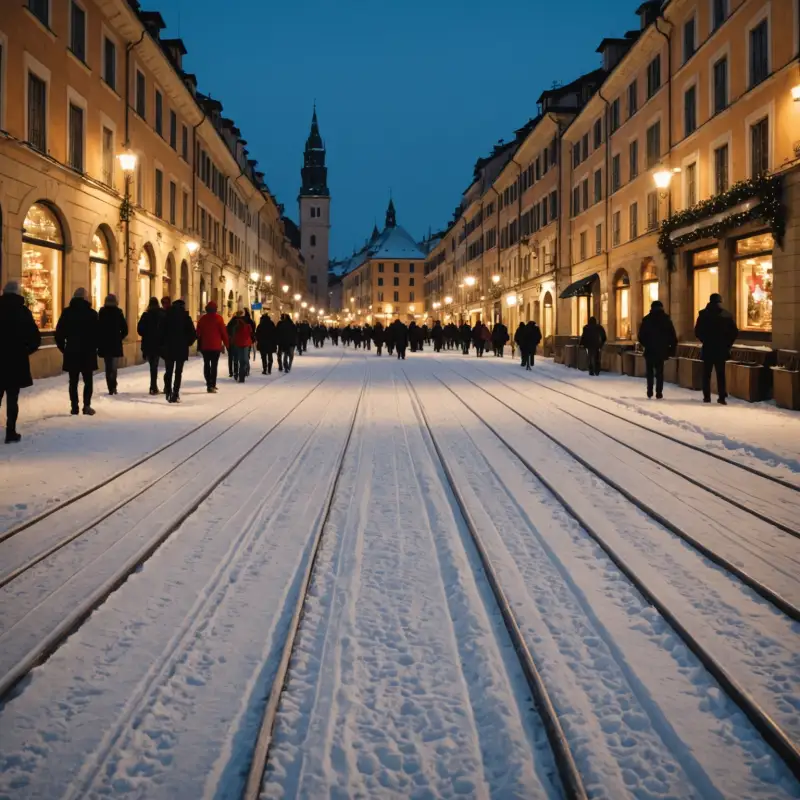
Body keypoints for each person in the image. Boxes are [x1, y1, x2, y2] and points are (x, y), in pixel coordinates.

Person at [0, 281, 41, 443]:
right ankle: (11, 432)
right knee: (12, 398)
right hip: (15, 360)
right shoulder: (23, 312)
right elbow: (34, 339)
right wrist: (25, 351)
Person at [55, 287, 99, 415]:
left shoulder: (67, 313)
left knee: (73, 381)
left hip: (72, 350)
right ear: (86, 298)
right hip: (88, 351)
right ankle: (86, 406)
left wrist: (63, 348)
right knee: (88, 380)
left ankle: (74, 407)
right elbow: (98, 334)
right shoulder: (92, 314)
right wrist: (95, 347)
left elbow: (59, 333)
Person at [695, 292, 738, 405]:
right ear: (720, 301)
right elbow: (734, 332)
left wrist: (705, 340)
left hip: (708, 347)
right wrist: (727, 344)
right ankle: (722, 397)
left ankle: (707, 397)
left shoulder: (703, 314)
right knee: (721, 374)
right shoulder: (726, 315)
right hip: (721, 349)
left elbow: (697, 331)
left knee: (706, 374)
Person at [638, 300, 678, 399]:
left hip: (650, 350)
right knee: (660, 372)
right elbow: (672, 336)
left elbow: (641, 335)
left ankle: (650, 390)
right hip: (661, 350)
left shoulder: (647, 319)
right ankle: (659, 392)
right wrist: (670, 348)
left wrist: (646, 344)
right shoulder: (666, 319)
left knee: (650, 372)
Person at [160, 298, 196, 403]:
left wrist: (162, 345)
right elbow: (193, 334)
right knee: (178, 372)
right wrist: (187, 343)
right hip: (181, 348)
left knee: (169, 371)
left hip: (169, 348)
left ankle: (168, 391)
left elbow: (160, 332)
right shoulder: (186, 318)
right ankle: (175, 393)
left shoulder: (166, 316)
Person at [97, 294, 128, 395]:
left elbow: (97, 328)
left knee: (108, 366)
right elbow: (125, 329)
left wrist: (100, 339)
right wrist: (119, 337)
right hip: (115, 343)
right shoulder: (118, 313)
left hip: (105, 344)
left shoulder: (102, 313)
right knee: (114, 367)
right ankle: (113, 386)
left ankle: (110, 387)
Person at [195, 301, 229, 392]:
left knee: (206, 364)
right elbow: (223, 333)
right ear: (215, 309)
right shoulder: (219, 319)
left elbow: (198, 332)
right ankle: (212, 384)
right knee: (214, 365)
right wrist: (227, 344)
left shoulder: (202, 319)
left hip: (205, 346)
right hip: (215, 346)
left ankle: (208, 383)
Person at [138, 297, 164, 395]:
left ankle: (153, 386)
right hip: (157, 343)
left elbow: (140, 330)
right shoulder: (161, 314)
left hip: (148, 344)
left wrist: (146, 333)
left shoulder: (146, 315)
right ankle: (153, 386)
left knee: (152, 365)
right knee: (155, 365)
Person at [231, 310, 253, 383]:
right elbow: (251, 332)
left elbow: (230, 331)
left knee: (236, 360)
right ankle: (242, 375)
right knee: (243, 360)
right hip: (245, 343)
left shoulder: (233, 322)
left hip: (236, 343)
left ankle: (236, 374)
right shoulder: (247, 321)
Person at [226, 314, 240, 379]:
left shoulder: (229, 325)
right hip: (236, 343)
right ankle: (236, 371)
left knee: (230, 358)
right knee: (236, 358)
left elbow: (226, 335)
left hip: (230, 343)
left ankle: (230, 372)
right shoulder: (239, 325)